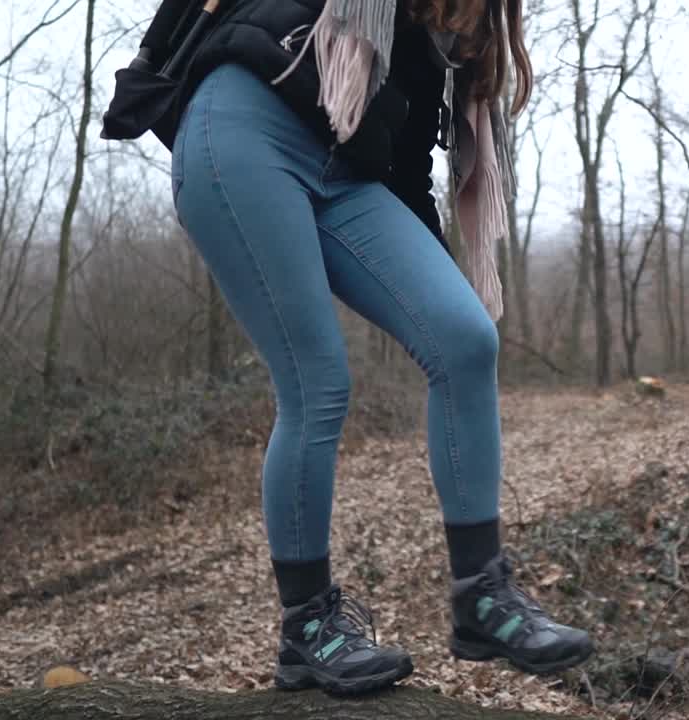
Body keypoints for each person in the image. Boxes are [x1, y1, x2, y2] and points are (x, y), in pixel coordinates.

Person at [147, 0, 593, 696]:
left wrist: (427, 284)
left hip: (347, 170)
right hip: (241, 134)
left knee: (465, 337)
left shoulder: (436, 50)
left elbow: (406, 163)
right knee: (318, 378)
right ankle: (308, 625)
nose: (470, 31)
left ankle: (482, 595)